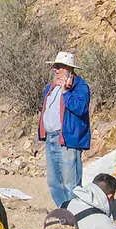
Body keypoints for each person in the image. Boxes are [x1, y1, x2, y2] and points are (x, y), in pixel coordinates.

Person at [38, 52, 91, 207]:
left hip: (68, 140)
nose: (56, 70)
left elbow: (81, 108)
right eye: (55, 67)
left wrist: (65, 92)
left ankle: (77, 215)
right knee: (54, 182)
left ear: (69, 69)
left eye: (59, 67)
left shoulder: (79, 87)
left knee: (71, 182)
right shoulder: (51, 88)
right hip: (51, 138)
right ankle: (64, 212)